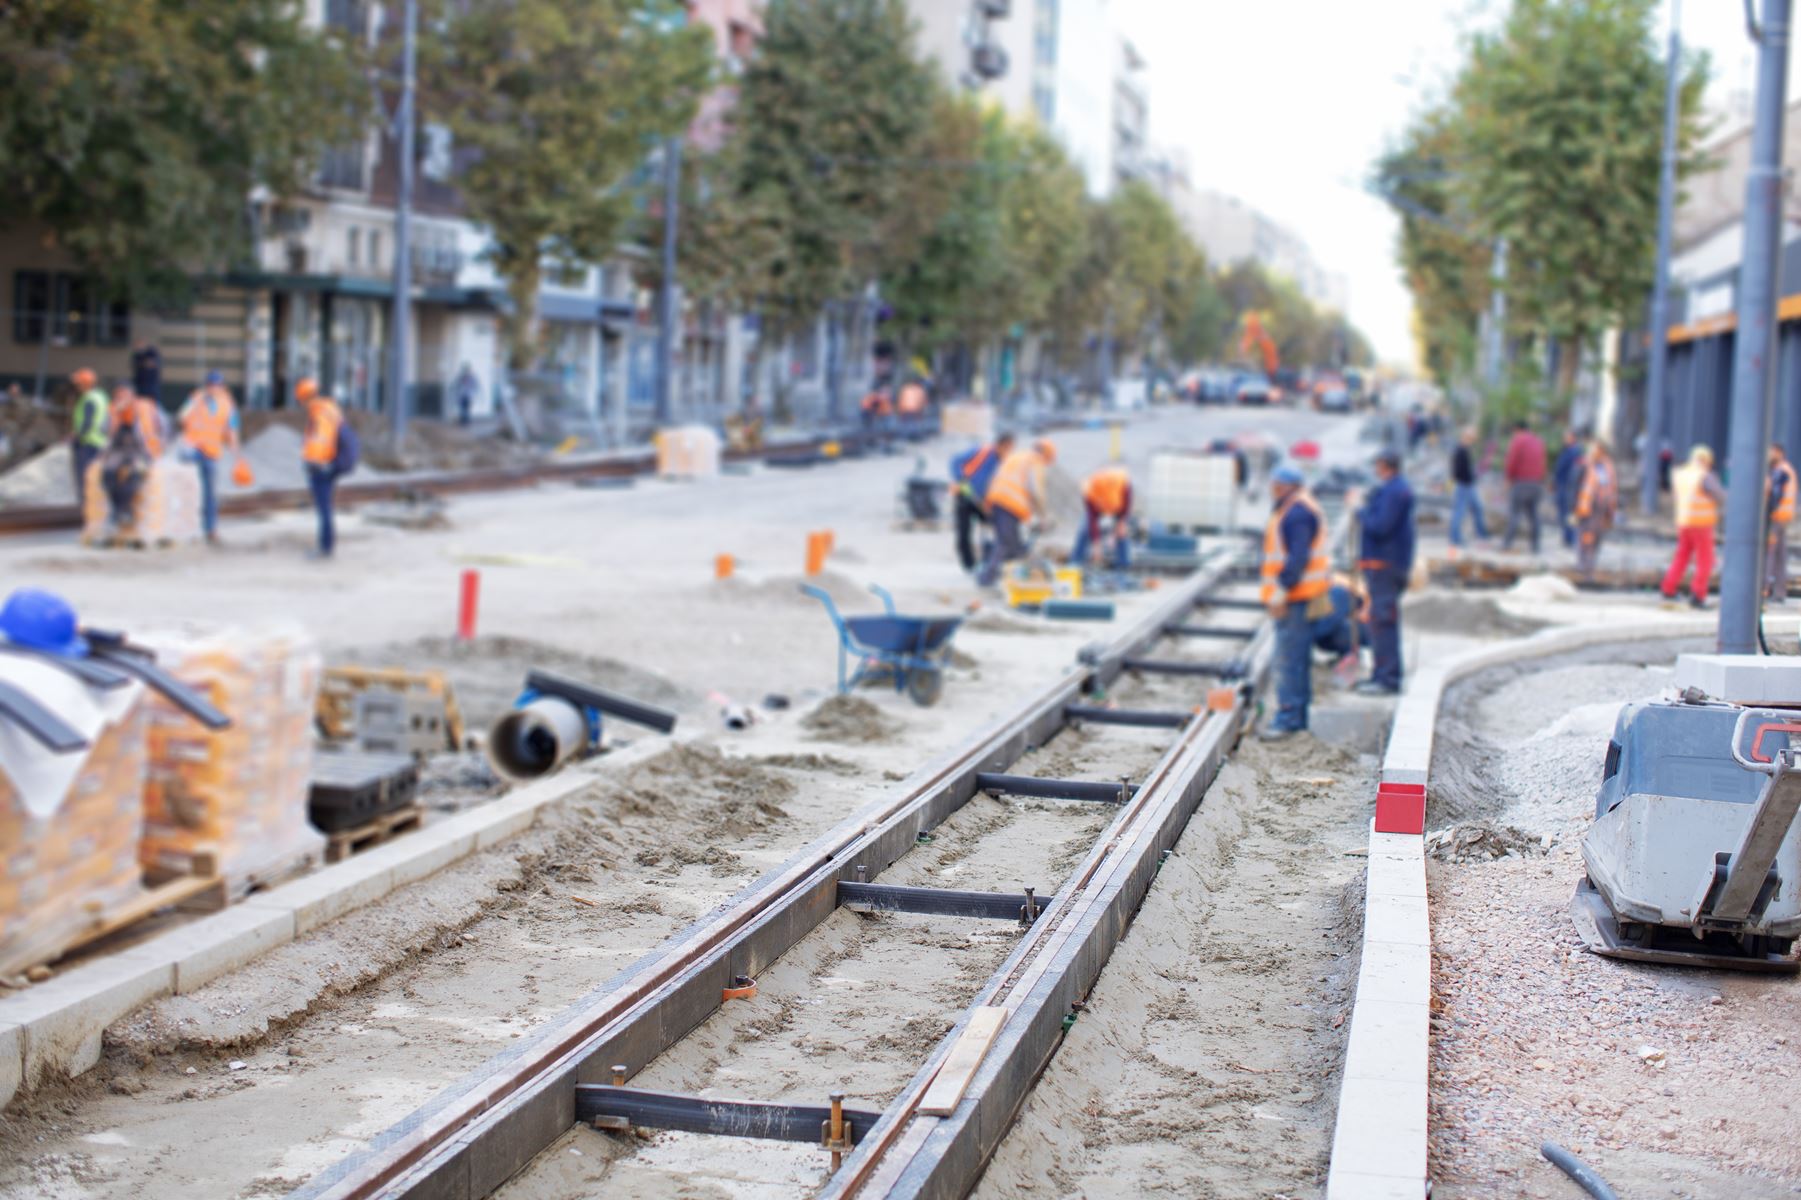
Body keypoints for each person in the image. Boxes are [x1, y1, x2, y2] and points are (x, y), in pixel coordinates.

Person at [1259, 465, 1330, 740]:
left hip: (1295, 598)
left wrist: (1280, 591)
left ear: (1284, 485)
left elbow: (1297, 558)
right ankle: (1296, 717)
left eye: (1275, 484)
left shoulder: (1297, 512)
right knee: (1296, 659)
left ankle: (1289, 719)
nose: (1272, 489)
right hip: (1300, 595)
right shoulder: (1297, 507)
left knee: (1289, 660)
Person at [1355, 449, 1415, 695]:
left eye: (1377, 465)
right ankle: (1381, 674)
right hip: (1385, 564)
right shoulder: (1393, 489)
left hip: (1385, 565)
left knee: (1383, 621)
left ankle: (1387, 678)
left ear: (1385, 465)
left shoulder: (1394, 491)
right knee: (1379, 621)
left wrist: (1360, 511)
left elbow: (1380, 526)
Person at [977, 438, 1055, 588]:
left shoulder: (1016, 456)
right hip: (1010, 504)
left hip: (996, 500)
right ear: (1046, 455)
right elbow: (1036, 491)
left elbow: (994, 477)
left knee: (1008, 543)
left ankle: (1003, 577)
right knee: (1007, 543)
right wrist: (1043, 516)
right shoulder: (1035, 461)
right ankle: (987, 578)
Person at [178, 371, 240, 544]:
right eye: (211, 385)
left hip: (211, 452)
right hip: (192, 449)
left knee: (209, 493)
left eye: (217, 385)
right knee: (189, 490)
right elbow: (182, 417)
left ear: (222, 387)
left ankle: (210, 529)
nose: (214, 388)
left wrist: (236, 454)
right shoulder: (196, 398)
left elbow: (232, 429)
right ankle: (187, 527)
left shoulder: (228, 405)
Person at [1661, 445, 1724, 608]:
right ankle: (1698, 594)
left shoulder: (1681, 474)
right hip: (1701, 523)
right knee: (1705, 560)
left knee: (1681, 556)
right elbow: (1719, 495)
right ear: (1706, 460)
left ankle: (1668, 588)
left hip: (1684, 521)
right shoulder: (1704, 475)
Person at [949, 432, 1013, 573]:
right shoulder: (981, 452)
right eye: (1008, 448)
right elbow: (954, 461)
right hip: (964, 495)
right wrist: (961, 479)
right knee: (964, 531)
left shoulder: (1002, 463)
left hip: (982, 501)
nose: (1009, 452)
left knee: (995, 528)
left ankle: (989, 559)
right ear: (1000, 445)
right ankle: (969, 565)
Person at [298, 377, 344, 559]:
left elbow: (319, 441)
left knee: (324, 508)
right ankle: (327, 544)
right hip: (330, 463)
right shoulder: (331, 408)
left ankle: (325, 547)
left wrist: (312, 462)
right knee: (326, 507)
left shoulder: (318, 412)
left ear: (304, 398)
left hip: (320, 466)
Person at [100, 384, 155, 533]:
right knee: (108, 474)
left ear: (132, 396)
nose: (122, 399)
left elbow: (159, 429)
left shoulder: (143, 408)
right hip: (118, 450)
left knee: (133, 474)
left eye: (125, 396)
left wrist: (153, 451)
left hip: (139, 451)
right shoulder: (113, 410)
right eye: (119, 396)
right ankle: (117, 511)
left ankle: (125, 510)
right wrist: (115, 414)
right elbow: (103, 429)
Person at [1573, 440, 1618, 580]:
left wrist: (1610, 509)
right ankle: (1584, 566)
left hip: (1602, 507)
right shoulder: (1584, 464)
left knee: (1596, 538)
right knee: (1586, 537)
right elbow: (1575, 484)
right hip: (1587, 506)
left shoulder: (1607, 466)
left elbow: (1612, 487)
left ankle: (1589, 565)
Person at [1073, 465, 1132, 570]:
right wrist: (1096, 545)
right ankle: (1075, 563)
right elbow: (1092, 520)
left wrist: (1122, 522)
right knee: (1084, 529)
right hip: (1097, 507)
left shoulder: (1123, 485)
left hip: (1118, 507)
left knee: (1122, 533)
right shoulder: (1089, 491)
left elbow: (1126, 507)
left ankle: (1123, 565)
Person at [1501, 419, 1546, 555]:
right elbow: (1543, 463)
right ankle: (1536, 545)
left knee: (1515, 514)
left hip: (1521, 483)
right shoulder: (1539, 441)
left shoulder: (1518, 440)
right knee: (1534, 515)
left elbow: (1512, 461)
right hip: (1536, 483)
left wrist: (1508, 478)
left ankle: (1507, 543)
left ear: (1517, 429)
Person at [68, 368, 110, 511]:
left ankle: (84, 510)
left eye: (78, 384)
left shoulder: (89, 399)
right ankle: (95, 508)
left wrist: (77, 435)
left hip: (86, 444)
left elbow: (87, 422)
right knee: (95, 479)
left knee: (84, 479)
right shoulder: (101, 397)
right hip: (99, 442)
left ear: (85, 384)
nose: (76, 387)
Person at [1448, 426, 1488, 551]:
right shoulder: (1461, 450)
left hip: (1468, 484)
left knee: (1477, 508)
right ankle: (1455, 537)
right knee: (1460, 511)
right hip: (1464, 485)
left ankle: (1481, 534)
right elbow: (1458, 471)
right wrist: (1469, 477)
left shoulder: (1464, 450)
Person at [1768, 444, 1796, 602]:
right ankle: (1779, 592)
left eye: (1771, 452)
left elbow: (1775, 495)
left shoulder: (1780, 471)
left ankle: (1764, 589)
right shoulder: (1788, 469)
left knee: (1769, 555)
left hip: (1776, 517)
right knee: (1780, 556)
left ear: (1779, 453)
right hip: (1784, 517)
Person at [1552, 429, 1585, 549]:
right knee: (1563, 514)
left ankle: (1572, 537)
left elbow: (1576, 472)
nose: (1564, 440)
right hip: (1562, 487)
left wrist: (1573, 488)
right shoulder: (1566, 451)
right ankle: (1566, 537)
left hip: (1570, 488)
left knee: (1571, 515)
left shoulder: (1576, 452)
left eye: (1567, 437)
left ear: (1573, 438)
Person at [130, 339, 161, 405]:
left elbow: (153, 363)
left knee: (152, 403)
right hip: (140, 385)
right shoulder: (137, 356)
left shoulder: (151, 352)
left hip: (151, 386)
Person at [454, 363, 479, 428]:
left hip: (468, 396)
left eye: (467, 370)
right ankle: (463, 421)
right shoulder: (460, 377)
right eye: (465, 370)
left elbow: (475, 386)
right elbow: (457, 386)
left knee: (467, 409)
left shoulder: (472, 378)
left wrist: (473, 392)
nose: (466, 371)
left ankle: (466, 421)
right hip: (461, 396)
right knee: (462, 408)